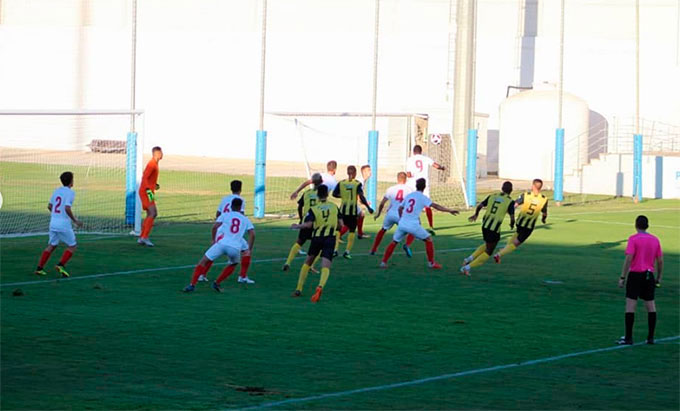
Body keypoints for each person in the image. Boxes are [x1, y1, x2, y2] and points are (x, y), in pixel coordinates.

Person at [380, 178, 459, 269]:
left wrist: (402, 218)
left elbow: (400, 208)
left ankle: (383, 262)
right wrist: (449, 210)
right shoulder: (423, 197)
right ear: (424, 187)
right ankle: (431, 263)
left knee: (394, 242)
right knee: (428, 239)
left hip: (402, 223)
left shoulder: (409, 195)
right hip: (413, 225)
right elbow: (435, 206)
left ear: (416, 186)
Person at [183, 198, 255, 293]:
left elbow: (215, 227)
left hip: (221, 244)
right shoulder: (245, 219)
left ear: (231, 206)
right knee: (233, 264)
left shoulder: (225, 215)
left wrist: (213, 239)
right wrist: (249, 248)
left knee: (203, 261)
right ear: (240, 207)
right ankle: (217, 282)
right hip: (235, 247)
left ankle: (192, 285)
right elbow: (252, 234)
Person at [290, 185, 343, 303]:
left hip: (317, 238)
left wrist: (297, 226)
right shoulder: (334, 207)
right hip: (330, 238)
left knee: (308, 262)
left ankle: (298, 289)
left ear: (318, 195)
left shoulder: (314, 209)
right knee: (325, 265)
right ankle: (320, 286)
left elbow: (308, 225)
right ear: (327, 194)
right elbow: (341, 224)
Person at [617, 215, 663, 345]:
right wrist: (658, 277)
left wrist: (622, 277)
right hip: (649, 275)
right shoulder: (655, 240)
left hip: (636, 275)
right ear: (647, 225)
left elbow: (629, 258)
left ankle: (628, 337)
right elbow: (660, 261)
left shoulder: (633, 239)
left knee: (631, 305)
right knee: (650, 305)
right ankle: (650, 337)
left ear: (636, 225)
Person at [199, 180, 254, 284]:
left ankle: (202, 274)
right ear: (241, 189)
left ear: (231, 188)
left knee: (213, 252)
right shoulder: (240, 200)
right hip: (231, 231)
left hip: (221, 229)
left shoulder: (224, 199)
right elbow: (240, 215)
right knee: (246, 250)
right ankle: (242, 276)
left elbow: (218, 213)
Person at [35, 171, 84, 277]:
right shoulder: (70, 193)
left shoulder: (57, 191)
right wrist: (75, 220)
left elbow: (49, 206)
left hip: (53, 223)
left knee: (52, 245)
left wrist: (56, 214)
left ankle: (39, 268)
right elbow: (67, 207)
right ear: (71, 181)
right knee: (72, 246)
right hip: (63, 225)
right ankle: (61, 265)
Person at [460, 181, 515, 276]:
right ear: (511, 190)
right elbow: (512, 217)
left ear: (502, 188)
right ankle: (466, 268)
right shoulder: (510, 201)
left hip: (485, 225)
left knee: (487, 244)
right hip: (494, 228)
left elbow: (480, 205)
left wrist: (476, 214)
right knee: (489, 251)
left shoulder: (492, 196)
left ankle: (468, 259)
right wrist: (512, 224)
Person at [493, 179, 548, 264]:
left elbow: (515, 204)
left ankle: (504, 250)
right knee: (516, 243)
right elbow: (544, 213)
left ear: (533, 186)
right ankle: (499, 254)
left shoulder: (526, 195)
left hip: (520, 222)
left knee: (517, 234)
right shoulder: (544, 199)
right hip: (529, 226)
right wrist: (543, 219)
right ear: (540, 187)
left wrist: (508, 211)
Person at [283, 173, 323, 271]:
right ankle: (311, 265)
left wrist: (302, 218)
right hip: (317, 222)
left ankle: (288, 262)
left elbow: (300, 206)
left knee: (299, 242)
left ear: (312, 182)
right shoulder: (321, 194)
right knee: (321, 245)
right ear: (321, 182)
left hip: (306, 220)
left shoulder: (307, 193)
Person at [332, 165, 373, 259]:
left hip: (342, 210)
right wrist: (368, 207)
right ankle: (347, 252)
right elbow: (361, 196)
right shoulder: (357, 183)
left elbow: (334, 194)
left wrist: (343, 196)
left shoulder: (341, 183)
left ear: (347, 173)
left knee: (338, 229)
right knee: (351, 231)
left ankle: (335, 250)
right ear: (355, 173)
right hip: (352, 211)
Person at [370, 172, 414, 255]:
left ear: (397, 179)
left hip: (390, 214)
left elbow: (382, 203)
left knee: (383, 230)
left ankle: (373, 249)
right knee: (413, 230)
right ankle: (407, 245)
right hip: (401, 215)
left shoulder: (391, 189)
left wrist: (379, 213)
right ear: (406, 179)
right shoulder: (410, 189)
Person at [406, 145, 446, 233]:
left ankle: (412, 223)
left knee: (412, 203)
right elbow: (435, 165)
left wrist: (411, 175)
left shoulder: (410, 159)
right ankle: (431, 226)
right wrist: (442, 168)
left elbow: (408, 174)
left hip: (412, 183)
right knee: (427, 204)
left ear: (413, 152)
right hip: (424, 183)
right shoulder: (425, 158)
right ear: (421, 151)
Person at [138, 146, 163, 247]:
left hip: (148, 191)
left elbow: (149, 179)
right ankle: (144, 237)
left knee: (150, 213)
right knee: (153, 213)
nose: (162, 154)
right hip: (146, 192)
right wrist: (148, 189)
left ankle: (142, 237)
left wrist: (154, 185)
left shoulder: (154, 164)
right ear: (157, 153)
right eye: (161, 152)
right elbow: (145, 177)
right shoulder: (152, 164)